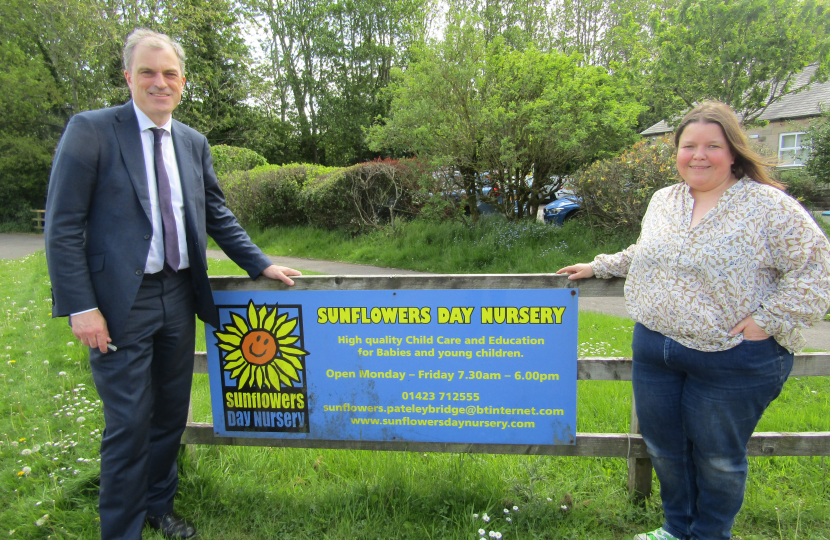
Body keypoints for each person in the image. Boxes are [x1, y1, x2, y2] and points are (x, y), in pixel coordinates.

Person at [45, 28, 301, 540]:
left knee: (167, 416)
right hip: (120, 304)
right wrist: (80, 307)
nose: (159, 82)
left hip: (180, 295)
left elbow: (215, 213)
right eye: (148, 72)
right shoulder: (91, 130)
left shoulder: (192, 142)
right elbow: (63, 224)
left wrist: (259, 264)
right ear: (128, 77)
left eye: (169, 74)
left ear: (183, 82)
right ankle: (120, 529)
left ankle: (159, 507)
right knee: (128, 422)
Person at [557, 101, 830, 540]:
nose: (699, 155)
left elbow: (818, 270)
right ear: (678, 152)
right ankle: (676, 528)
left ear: (734, 152)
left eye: (712, 146)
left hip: (732, 357)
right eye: (689, 146)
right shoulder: (664, 199)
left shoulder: (768, 207)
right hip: (655, 348)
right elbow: (647, 253)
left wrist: (767, 320)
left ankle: (709, 535)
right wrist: (600, 266)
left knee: (718, 456)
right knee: (665, 449)